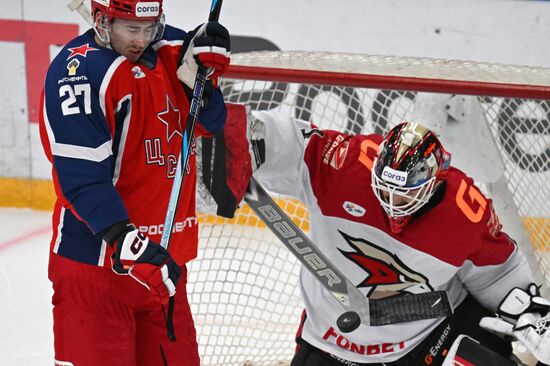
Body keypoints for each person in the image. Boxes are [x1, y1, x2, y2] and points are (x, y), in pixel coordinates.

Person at [200, 105, 550, 366]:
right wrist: (231, 134)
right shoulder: (344, 165)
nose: (393, 203)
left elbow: (498, 271)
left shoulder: (464, 209)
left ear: (434, 182)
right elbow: (287, 141)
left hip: (426, 336)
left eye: (406, 195)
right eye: (386, 191)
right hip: (330, 339)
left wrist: (529, 313)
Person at [38, 0, 230, 365]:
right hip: (97, 269)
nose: (141, 40)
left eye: (149, 28)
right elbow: (80, 176)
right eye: (130, 28)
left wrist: (202, 87)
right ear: (101, 20)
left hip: (163, 268)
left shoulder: (174, 50)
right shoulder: (77, 71)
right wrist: (123, 237)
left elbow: (211, 123)